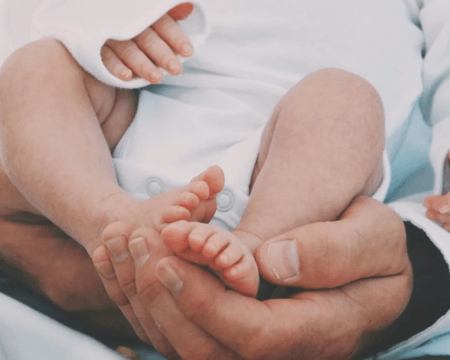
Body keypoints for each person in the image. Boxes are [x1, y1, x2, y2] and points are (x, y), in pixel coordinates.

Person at [1, 0, 450, 359]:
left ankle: (252, 249)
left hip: (286, 175)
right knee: (36, 66)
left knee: (346, 99)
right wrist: (102, 21)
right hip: (123, 132)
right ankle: (110, 220)